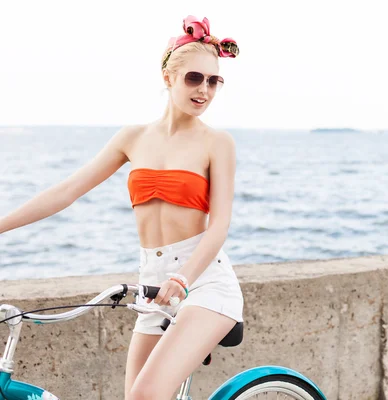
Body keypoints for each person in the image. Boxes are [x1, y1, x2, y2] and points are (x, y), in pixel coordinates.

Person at [0, 15, 244, 399]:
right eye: (194, 78)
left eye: (214, 81)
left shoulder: (218, 143)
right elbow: (66, 192)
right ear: (168, 78)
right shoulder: (132, 137)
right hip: (152, 281)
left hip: (204, 282)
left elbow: (220, 226)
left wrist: (182, 280)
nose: (205, 90)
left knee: (145, 394)